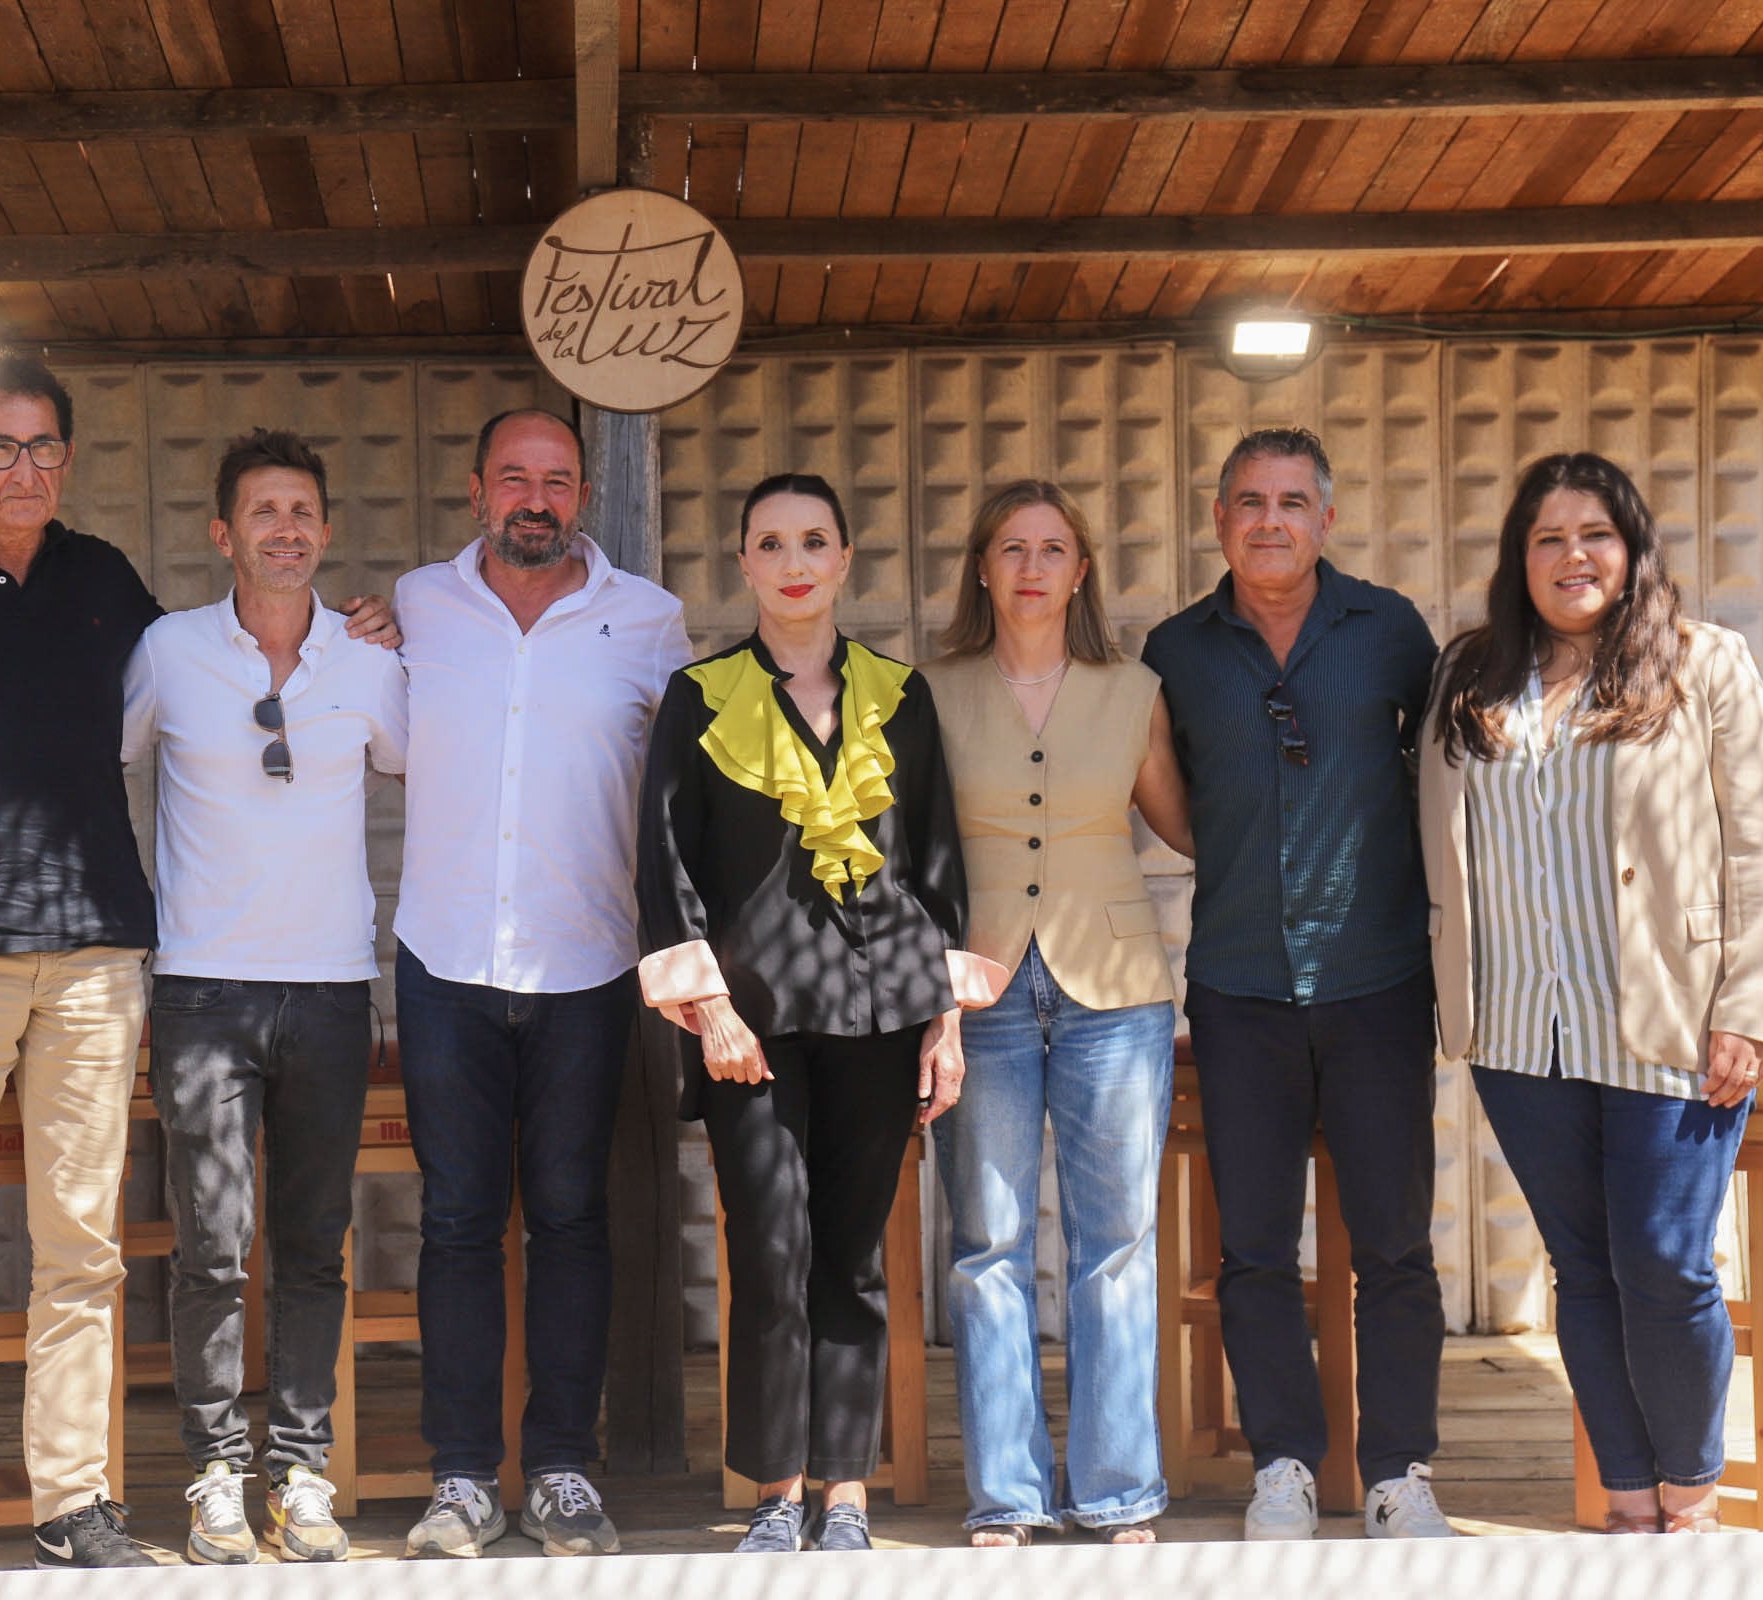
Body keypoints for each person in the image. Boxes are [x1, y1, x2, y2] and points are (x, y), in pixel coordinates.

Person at [0, 353, 393, 1573]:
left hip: (93, 947)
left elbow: (192, 696)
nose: (23, 469)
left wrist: (369, 629)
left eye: (43, 448)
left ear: (69, 458)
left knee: (80, 1244)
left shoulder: (108, 585)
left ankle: (74, 1501)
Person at [1419, 452, 1763, 1535]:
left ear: (1631, 550)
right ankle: (1627, 1502)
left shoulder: (1703, 665)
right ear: (1519, 558)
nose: (1572, 556)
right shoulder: (1469, 676)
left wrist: (1747, 1008)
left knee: (1666, 1261)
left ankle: (1692, 1498)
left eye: (1595, 534)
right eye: (1548, 537)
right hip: (1518, 1025)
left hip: (1667, 1021)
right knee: (1580, 1266)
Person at [637, 472, 996, 1554]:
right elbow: (666, 867)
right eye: (771, 543)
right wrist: (708, 1008)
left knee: (850, 1255)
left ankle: (847, 1493)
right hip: (752, 1028)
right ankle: (773, 1492)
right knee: (770, 1249)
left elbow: (938, 864)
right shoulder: (697, 700)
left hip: (884, 1016)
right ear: (742, 564)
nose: (794, 561)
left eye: (814, 541)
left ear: (844, 560)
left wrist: (948, 1019)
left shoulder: (904, 696)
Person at [1140, 427, 1454, 1541]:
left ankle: (1398, 1472)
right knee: (1256, 1247)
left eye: (1290, 501)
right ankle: (1281, 1462)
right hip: (1238, 985)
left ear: (1326, 518)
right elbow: (1164, 798)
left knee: (1395, 1247)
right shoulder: (1174, 648)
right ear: (1217, 520)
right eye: (1247, 501)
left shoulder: (1392, 632)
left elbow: (1451, 782)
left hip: (1376, 982)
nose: (1268, 519)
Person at [388, 408, 691, 1559]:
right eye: (513, 477)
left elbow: (697, 777)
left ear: (581, 496)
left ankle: (561, 1465)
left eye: (556, 480)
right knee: (459, 1222)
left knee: (572, 1218)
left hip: (587, 961)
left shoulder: (648, 619)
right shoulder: (413, 608)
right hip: (445, 961)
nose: (535, 497)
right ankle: (463, 1476)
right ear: (475, 490)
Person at [121, 429, 407, 1564]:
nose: (284, 529)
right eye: (263, 511)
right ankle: (211, 1475)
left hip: (334, 987)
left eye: (302, 511)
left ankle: (299, 1469)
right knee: (210, 1243)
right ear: (222, 533)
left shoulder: (372, 661)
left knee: (311, 1242)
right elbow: (101, 759)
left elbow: (434, 761)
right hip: (202, 987)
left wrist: (409, 628)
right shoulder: (169, 651)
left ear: (325, 532)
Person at [924, 481, 1192, 1546]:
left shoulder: (1134, 690)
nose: (1032, 567)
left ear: (1081, 570)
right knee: (986, 1243)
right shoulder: (930, 692)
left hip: (1115, 991)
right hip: (976, 991)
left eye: (1053, 549)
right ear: (983, 569)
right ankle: (1007, 1494)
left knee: (1114, 1240)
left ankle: (1119, 1487)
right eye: (1010, 548)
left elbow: (1186, 827)